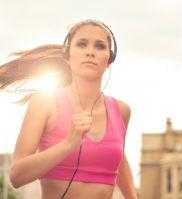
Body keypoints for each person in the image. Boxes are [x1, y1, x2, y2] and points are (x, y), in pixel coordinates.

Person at [1, 19, 137, 199]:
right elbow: (17, 175)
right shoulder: (44, 102)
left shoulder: (121, 110)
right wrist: (68, 144)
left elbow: (119, 161)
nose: (90, 52)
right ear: (67, 55)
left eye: (100, 46)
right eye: (81, 44)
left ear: (109, 59)